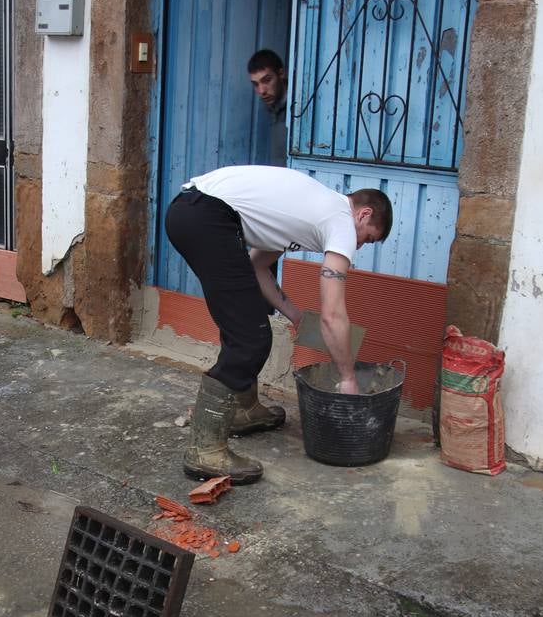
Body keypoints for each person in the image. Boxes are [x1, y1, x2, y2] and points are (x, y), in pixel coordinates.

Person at [164, 165, 392, 484]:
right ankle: (205, 449)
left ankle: (245, 411)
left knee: (251, 324)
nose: (360, 246)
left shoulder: (308, 211)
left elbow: (257, 269)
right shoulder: (341, 220)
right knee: (249, 340)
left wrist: (295, 315)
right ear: (364, 214)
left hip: (191, 212)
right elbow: (333, 315)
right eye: (368, 238)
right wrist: (348, 378)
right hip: (206, 218)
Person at [246, 49, 288, 166]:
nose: (261, 91)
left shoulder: (299, 108)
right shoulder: (272, 108)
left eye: (267, 80)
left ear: (281, 74)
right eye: (256, 84)